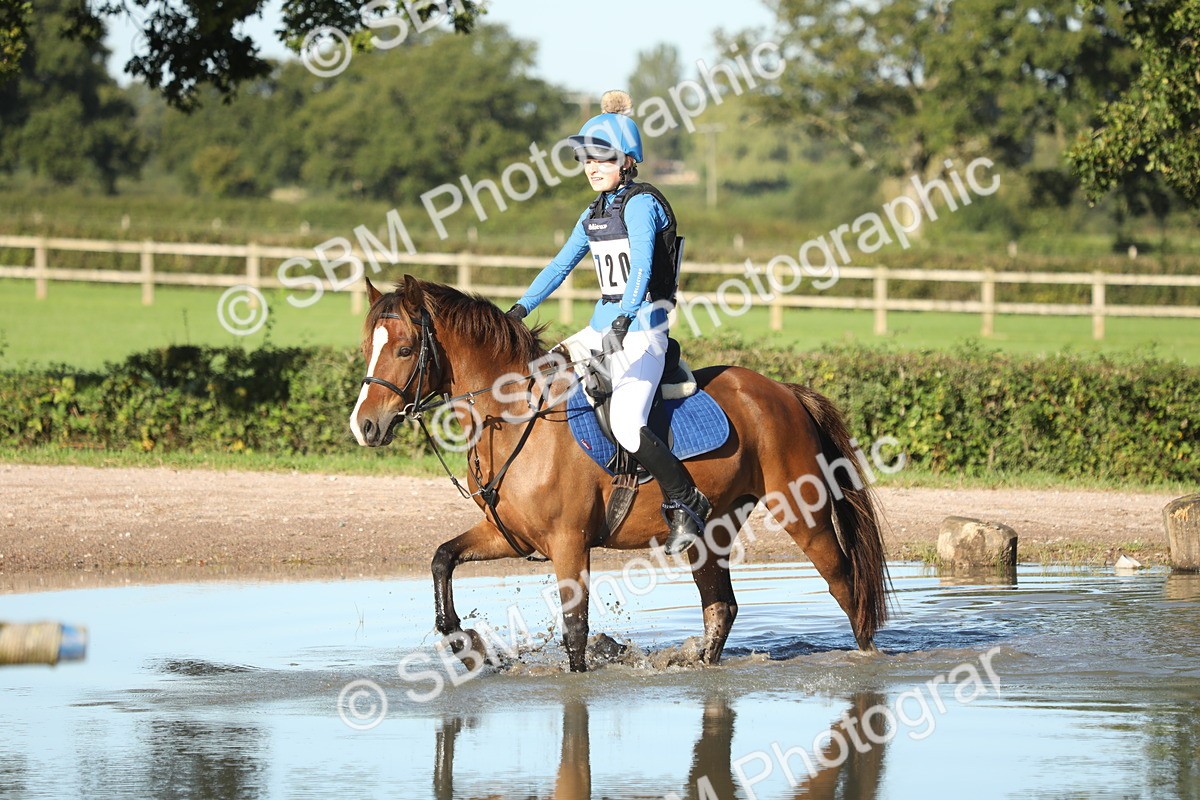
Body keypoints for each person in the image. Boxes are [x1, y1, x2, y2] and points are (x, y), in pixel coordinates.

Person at [506, 90, 710, 554]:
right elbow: (558, 267)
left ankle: (686, 500)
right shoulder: (593, 213)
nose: (592, 167)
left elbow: (640, 268)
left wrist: (622, 320)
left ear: (627, 161)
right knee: (538, 379)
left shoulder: (641, 205)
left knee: (625, 421)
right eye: (586, 160)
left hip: (643, 330)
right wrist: (519, 309)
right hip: (603, 327)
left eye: (602, 158)